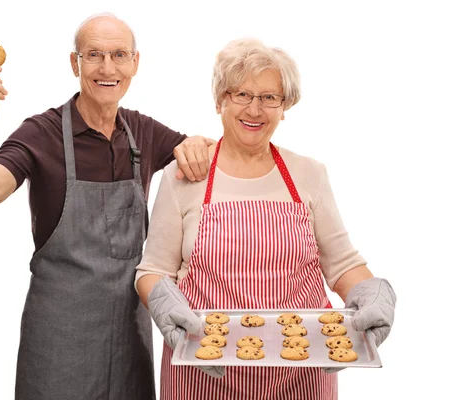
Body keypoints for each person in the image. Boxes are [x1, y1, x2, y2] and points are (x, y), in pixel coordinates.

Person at [0, 12, 213, 400]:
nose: (107, 68)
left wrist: (198, 143)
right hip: (58, 343)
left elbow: (208, 158)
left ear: (135, 63)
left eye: (119, 55)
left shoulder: (142, 131)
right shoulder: (39, 134)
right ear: (75, 63)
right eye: (94, 55)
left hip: (130, 337)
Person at [135, 38, 397, 399]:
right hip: (203, 371)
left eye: (269, 97)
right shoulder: (184, 177)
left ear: (284, 106)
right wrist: (164, 304)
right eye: (241, 94)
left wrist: (373, 292)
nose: (254, 109)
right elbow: (153, 271)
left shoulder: (309, 173)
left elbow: (342, 265)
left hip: (302, 373)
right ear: (219, 100)